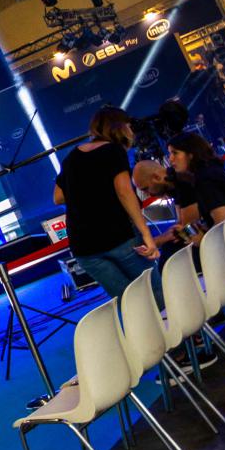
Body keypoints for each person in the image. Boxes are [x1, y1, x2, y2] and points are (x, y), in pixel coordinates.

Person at [54, 107, 162, 303]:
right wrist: (146, 234)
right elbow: (124, 191)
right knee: (154, 293)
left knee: (128, 303)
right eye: (129, 126)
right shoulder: (113, 150)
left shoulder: (72, 157)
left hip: (83, 247)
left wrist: (87, 191)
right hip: (118, 236)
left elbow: (58, 197)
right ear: (121, 127)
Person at [167, 131, 225, 226]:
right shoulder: (214, 169)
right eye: (170, 154)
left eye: (175, 153)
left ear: (191, 154)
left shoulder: (205, 180)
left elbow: (224, 223)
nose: (170, 159)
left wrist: (200, 235)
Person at [132, 159, 204, 253]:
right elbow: (182, 225)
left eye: (146, 189)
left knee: (170, 249)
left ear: (157, 177)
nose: (148, 194)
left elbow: (189, 229)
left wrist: (157, 241)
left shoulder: (183, 185)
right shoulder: (174, 186)